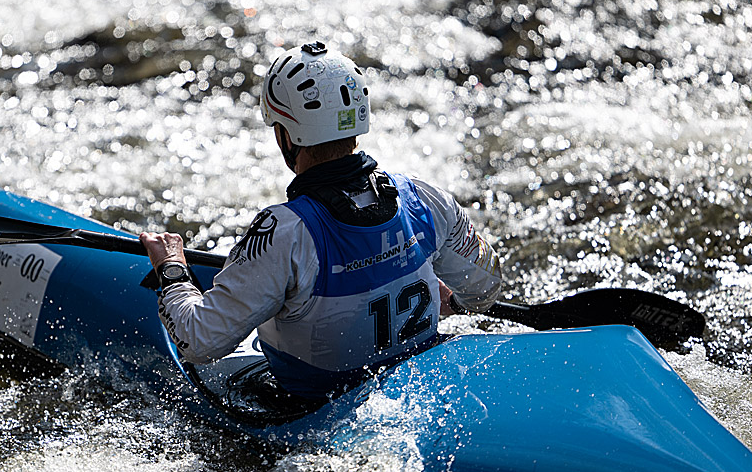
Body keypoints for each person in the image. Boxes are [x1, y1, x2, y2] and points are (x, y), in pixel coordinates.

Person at [140, 41, 502, 399]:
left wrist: (171, 267)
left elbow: (199, 342)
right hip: (416, 388)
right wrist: (450, 303)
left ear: (286, 135)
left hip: (320, 414)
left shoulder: (283, 233)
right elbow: (485, 289)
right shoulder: (423, 199)